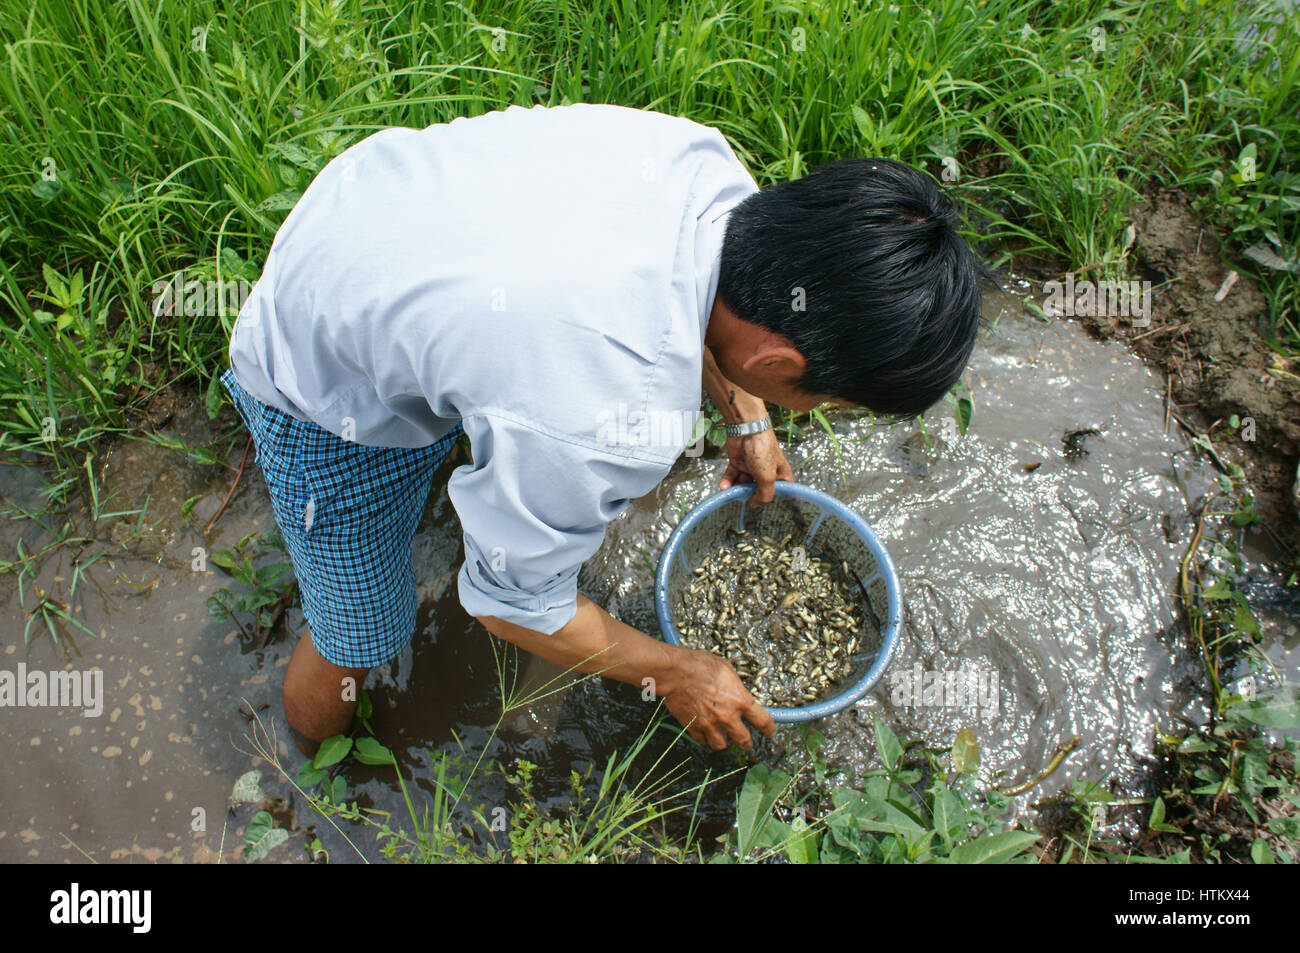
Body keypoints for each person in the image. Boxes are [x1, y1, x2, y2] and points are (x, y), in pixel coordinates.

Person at [221, 102, 982, 756]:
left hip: (375, 205)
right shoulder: (602, 422)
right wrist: (681, 672)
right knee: (360, 635)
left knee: (504, 418)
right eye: (829, 402)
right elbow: (506, 603)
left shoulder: (706, 171)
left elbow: (713, 312)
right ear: (780, 358)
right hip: (316, 367)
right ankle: (320, 773)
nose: (814, 412)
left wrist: (746, 410)